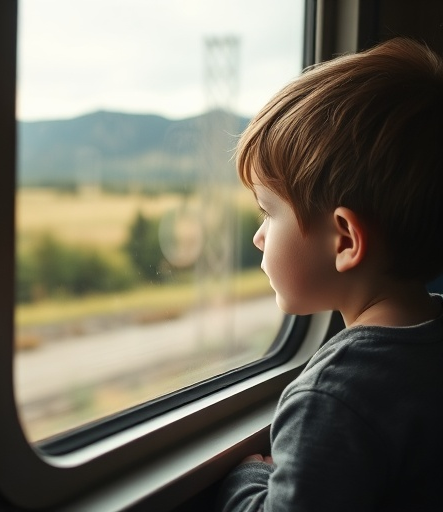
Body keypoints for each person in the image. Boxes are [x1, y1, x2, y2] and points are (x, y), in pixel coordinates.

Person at [217, 37, 443, 511]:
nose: (258, 237)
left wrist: (248, 481)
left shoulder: (334, 396)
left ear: (344, 239)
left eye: (267, 212)